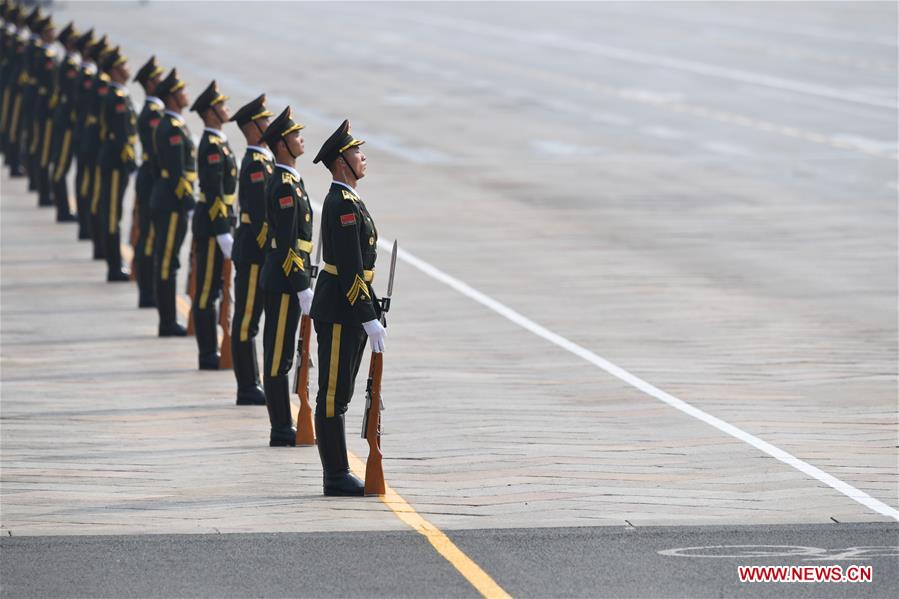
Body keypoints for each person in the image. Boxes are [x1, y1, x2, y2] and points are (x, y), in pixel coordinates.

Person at [310, 119, 386, 496]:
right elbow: (351, 269)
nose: (363, 157)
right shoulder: (340, 203)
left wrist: (372, 310)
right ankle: (335, 475)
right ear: (342, 162)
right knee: (331, 394)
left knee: (341, 394)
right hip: (341, 310)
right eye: (357, 151)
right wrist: (368, 316)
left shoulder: (349, 200)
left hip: (348, 307)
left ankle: (338, 471)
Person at [259, 106, 312, 446]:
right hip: (283, 280)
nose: (300, 138)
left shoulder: (291, 180)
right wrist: (301, 284)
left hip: (288, 276)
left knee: (286, 354)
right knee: (278, 354)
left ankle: (283, 424)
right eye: (294, 135)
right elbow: (288, 244)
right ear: (281, 145)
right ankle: (280, 427)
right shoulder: (282, 185)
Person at [228, 93, 273, 405]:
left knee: (252, 319)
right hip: (254, 253)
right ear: (254, 127)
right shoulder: (256, 165)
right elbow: (260, 218)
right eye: (266, 121)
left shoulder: (264, 161)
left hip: (258, 251)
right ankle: (246, 386)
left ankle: (252, 381)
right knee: (246, 319)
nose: (270, 125)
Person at [189, 80, 236, 369]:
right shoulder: (211, 145)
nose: (226, 108)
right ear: (210, 113)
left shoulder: (219, 141)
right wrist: (221, 228)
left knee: (215, 289)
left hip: (219, 223)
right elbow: (214, 189)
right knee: (206, 291)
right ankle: (207, 353)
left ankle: (212, 349)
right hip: (211, 227)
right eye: (220, 106)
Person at [150, 68, 195, 337]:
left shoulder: (173, 124)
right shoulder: (170, 127)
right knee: (167, 261)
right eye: (182, 91)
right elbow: (177, 173)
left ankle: (167, 319)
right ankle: (167, 321)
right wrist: (189, 201)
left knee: (169, 260)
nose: (185, 94)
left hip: (170, 200)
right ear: (171, 96)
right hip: (171, 202)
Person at [96, 46, 138, 282]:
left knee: (114, 212)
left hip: (116, 160)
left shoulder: (120, 94)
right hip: (114, 161)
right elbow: (122, 135)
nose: (127, 68)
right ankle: (113, 266)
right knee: (112, 214)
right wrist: (130, 161)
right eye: (123, 65)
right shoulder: (116, 97)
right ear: (114, 70)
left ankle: (114, 263)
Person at [132, 55, 165, 307]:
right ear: (151, 84)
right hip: (153, 179)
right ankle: (147, 292)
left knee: (151, 236)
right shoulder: (154, 114)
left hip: (152, 177)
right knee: (149, 237)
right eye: (159, 79)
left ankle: (149, 290)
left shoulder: (155, 111)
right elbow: (157, 154)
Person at [48, 21, 80, 223]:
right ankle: (62, 209)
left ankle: (63, 208)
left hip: (66, 120)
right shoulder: (69, 65)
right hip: (67, 122)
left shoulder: (70, 63)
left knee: (62, 165)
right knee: (61, 166)